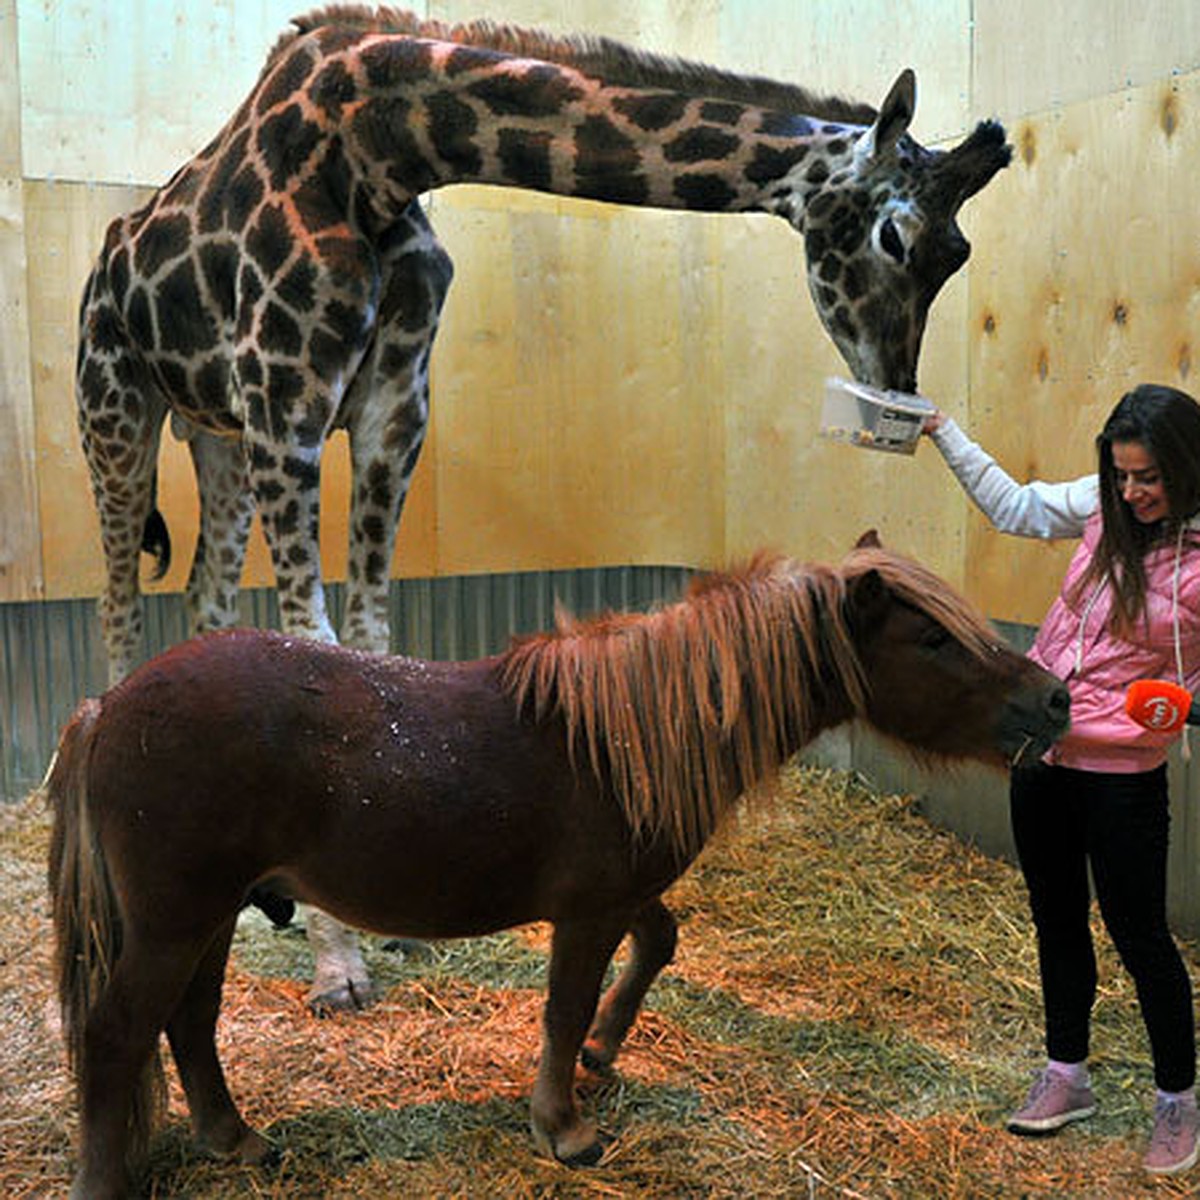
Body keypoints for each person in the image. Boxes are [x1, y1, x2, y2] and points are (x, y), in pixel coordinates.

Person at [922, 383, 1200, 1176]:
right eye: (1120, 475)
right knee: (1055, 919)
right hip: (1040, 757)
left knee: (1142, 937)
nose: (1131, 493)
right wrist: (941, 429)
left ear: (1184, 467)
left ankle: (1177, 1099)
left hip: (1121, 776)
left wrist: (1186, 703)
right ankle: (1067, 1074)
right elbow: (1011, 505)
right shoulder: (1104, 508)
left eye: (1148, 477)